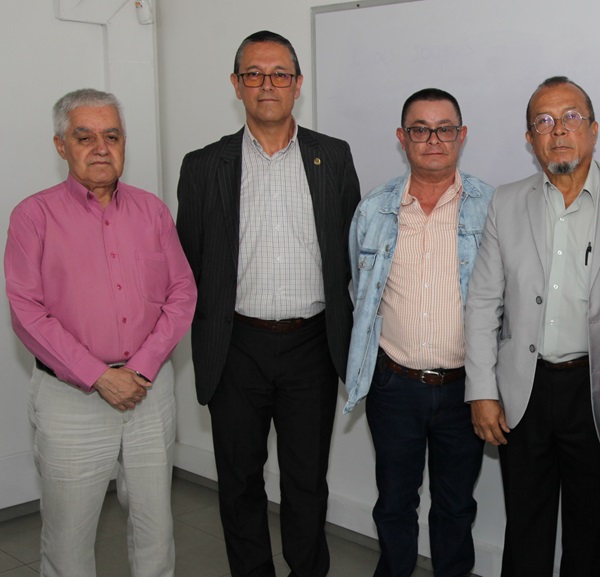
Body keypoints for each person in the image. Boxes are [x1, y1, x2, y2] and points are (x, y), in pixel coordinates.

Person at [176, 30, 360, 577]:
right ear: (236, 85)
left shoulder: (334, 156)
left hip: (312, 344)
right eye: (253, 74)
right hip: (236, 346)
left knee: (307, 482)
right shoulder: (204, 165)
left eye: (280, 74)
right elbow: (189, 265)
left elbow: (351, 253)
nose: (267, 85)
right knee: (239, 482)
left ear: (298, 84)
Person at [5, 88, 197, 577]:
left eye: (111, 135)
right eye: (84, 136)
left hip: (149, 392)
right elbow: (28, 312)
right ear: (60, 146)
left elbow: (182, 292)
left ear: (124, 142)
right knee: (69, 539)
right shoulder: (33, 216)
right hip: (72, 398)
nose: (100, 147)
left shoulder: (152, 211)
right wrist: (98, 375)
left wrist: (142, 366)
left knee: (156, 529)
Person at [465, 76, 600, 577]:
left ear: (594, 130)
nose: (558, 130)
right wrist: (481, 391)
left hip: (597, 393)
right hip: (524, 392)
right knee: (527, 530)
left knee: (594, 532)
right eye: (544, 121)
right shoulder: (506, 202)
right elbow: (482, 301)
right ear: (531, 138)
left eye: (571, 117)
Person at [345, 88, 493, 577]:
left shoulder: (490, 208)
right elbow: (359, 291)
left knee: (455, 508)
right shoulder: (374, 210)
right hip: (394, 386)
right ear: (402, 138)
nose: (433, 139)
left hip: (464, 391)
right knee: (393, 504)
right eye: (420, 129)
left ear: (462, 135)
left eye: (444, 128)